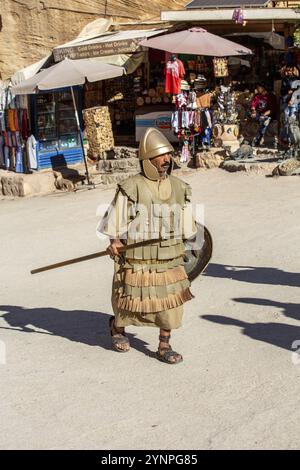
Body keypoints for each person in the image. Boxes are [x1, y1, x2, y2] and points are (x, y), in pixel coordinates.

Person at [98, 128, 197, 364]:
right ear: (148, 160)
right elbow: (114, 220)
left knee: (170, 302)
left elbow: (189, 227)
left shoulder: (179, 187)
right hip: (136, 257)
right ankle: (117, 328)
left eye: (168, 155)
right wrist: (114, 241)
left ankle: (164, 345)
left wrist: (188, 240)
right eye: (161, 156)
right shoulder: (132, 187)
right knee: (130, 301)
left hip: (169, 258)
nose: (166, 160)